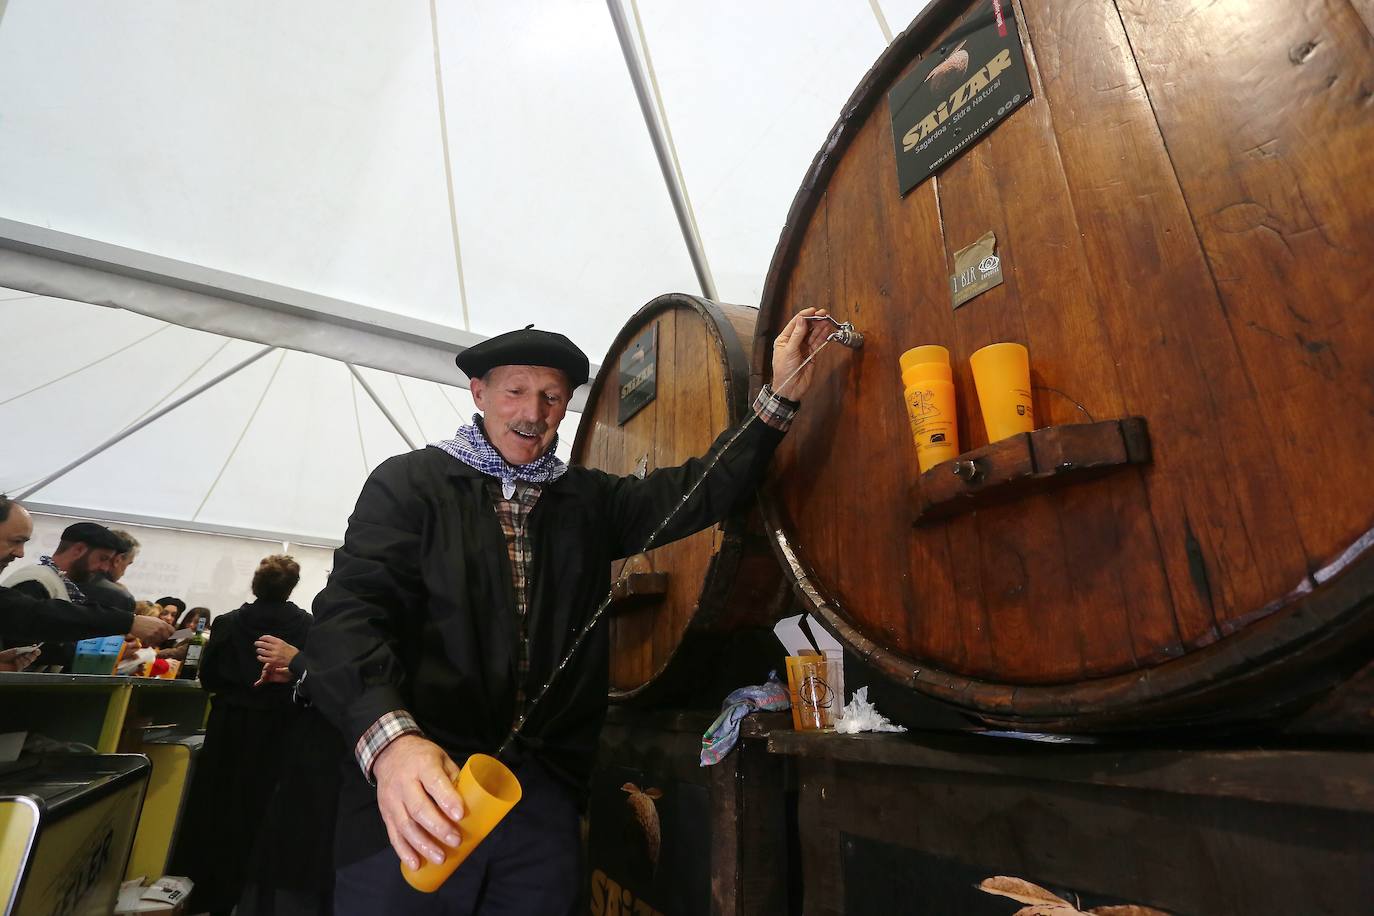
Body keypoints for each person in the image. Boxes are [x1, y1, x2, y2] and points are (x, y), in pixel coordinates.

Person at [301, 311, 830, 913]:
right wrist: (393, 743)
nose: (533, 413)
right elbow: (347, 619)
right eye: (516, 392)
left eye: (551, 396)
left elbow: (699, 489)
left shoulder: (587, 500)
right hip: (419, 792)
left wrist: (779, 398)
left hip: (539, 800)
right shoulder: (410, 484)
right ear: (479, 393)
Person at [170, 555, 313, 915]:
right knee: (263, 806)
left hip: (230, 725)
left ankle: (206, 889)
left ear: (255, 583)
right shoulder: (306, 626)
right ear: (292, 586)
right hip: (280, 727)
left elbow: (210, 677)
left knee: (217, 802)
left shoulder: (228, 622)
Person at [0, 505, 170, 663]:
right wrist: (123, 630)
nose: (104, 568)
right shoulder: (35, 580)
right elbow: (34, 626)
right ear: (79, 550)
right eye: (102, 559)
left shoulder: (57, 582)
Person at [83, 529, 139, 615]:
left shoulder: (68, 577)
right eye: (127, 564)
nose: (123, 573)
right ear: (118, 560)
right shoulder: (120, 597)